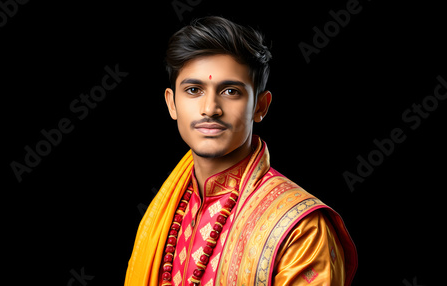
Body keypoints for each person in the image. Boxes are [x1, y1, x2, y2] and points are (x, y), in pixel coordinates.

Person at [125, 16, 357, 286]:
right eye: (193, 90)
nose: (210, 108)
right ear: (171, 103)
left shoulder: (301, 229)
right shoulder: (167, 210)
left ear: (260, 106)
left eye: (231, 91)